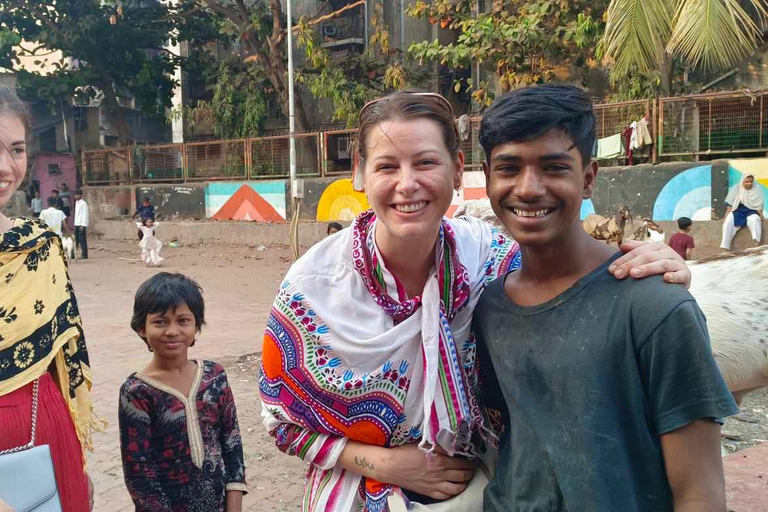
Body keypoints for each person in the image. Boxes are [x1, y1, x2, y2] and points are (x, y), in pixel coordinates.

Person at [258, 91, 692, 512]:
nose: (407, 184)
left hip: (480, 493)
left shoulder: (491, 259)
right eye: (387, 166)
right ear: (361, 174)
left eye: (426, 162)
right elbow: (283, 425)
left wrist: (660, 265)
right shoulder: (311, 288)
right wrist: (391, 465)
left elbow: (568, 282)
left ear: (458, 169)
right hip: (353, 496)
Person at [473, 84, 738, 512]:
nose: (528, 188)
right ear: (486, 178)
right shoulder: (488, 308)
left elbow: (701, 492)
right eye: (508, 168)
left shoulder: (655, 307)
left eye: (554, 167)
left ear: (589, 177)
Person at [0, 84, 97, 511]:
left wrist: (75, 463)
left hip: (46, 432)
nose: (6, 167)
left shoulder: (41, 247)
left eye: (17, 149)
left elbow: (63, 361)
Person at [119, 273, 247, 511]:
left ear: (196, 325)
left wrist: (234, 502)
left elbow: (232, 442)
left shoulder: (214, 376)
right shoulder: (137, 392)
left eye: (183, 320)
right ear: (141, 328)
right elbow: (139, 474)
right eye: (160, 322)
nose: (172, 331)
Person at [720, 173, 765, 250]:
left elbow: (759, 205)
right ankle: (725, 248)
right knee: (728, 222)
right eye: (747, 181)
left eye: (751, 181)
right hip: (738, 210)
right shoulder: (737, 188)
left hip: (752, 210)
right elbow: (730, 203)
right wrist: (726, 215)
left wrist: (762, 216)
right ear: (743, 181)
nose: (749, 183)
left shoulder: (757, 189)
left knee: (755, 220)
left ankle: (757, 244)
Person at [74, 189, 89, 259]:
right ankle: (74, 254)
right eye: (75, 195)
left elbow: (85, 215)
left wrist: (83, 225)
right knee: (76, 239)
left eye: (77, 195)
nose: (76, 196)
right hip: (76, 223)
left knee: (82, 240)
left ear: (81, 195)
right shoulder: (77, 203)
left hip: (81, 224)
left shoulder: (83, 203)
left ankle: (84, 255)